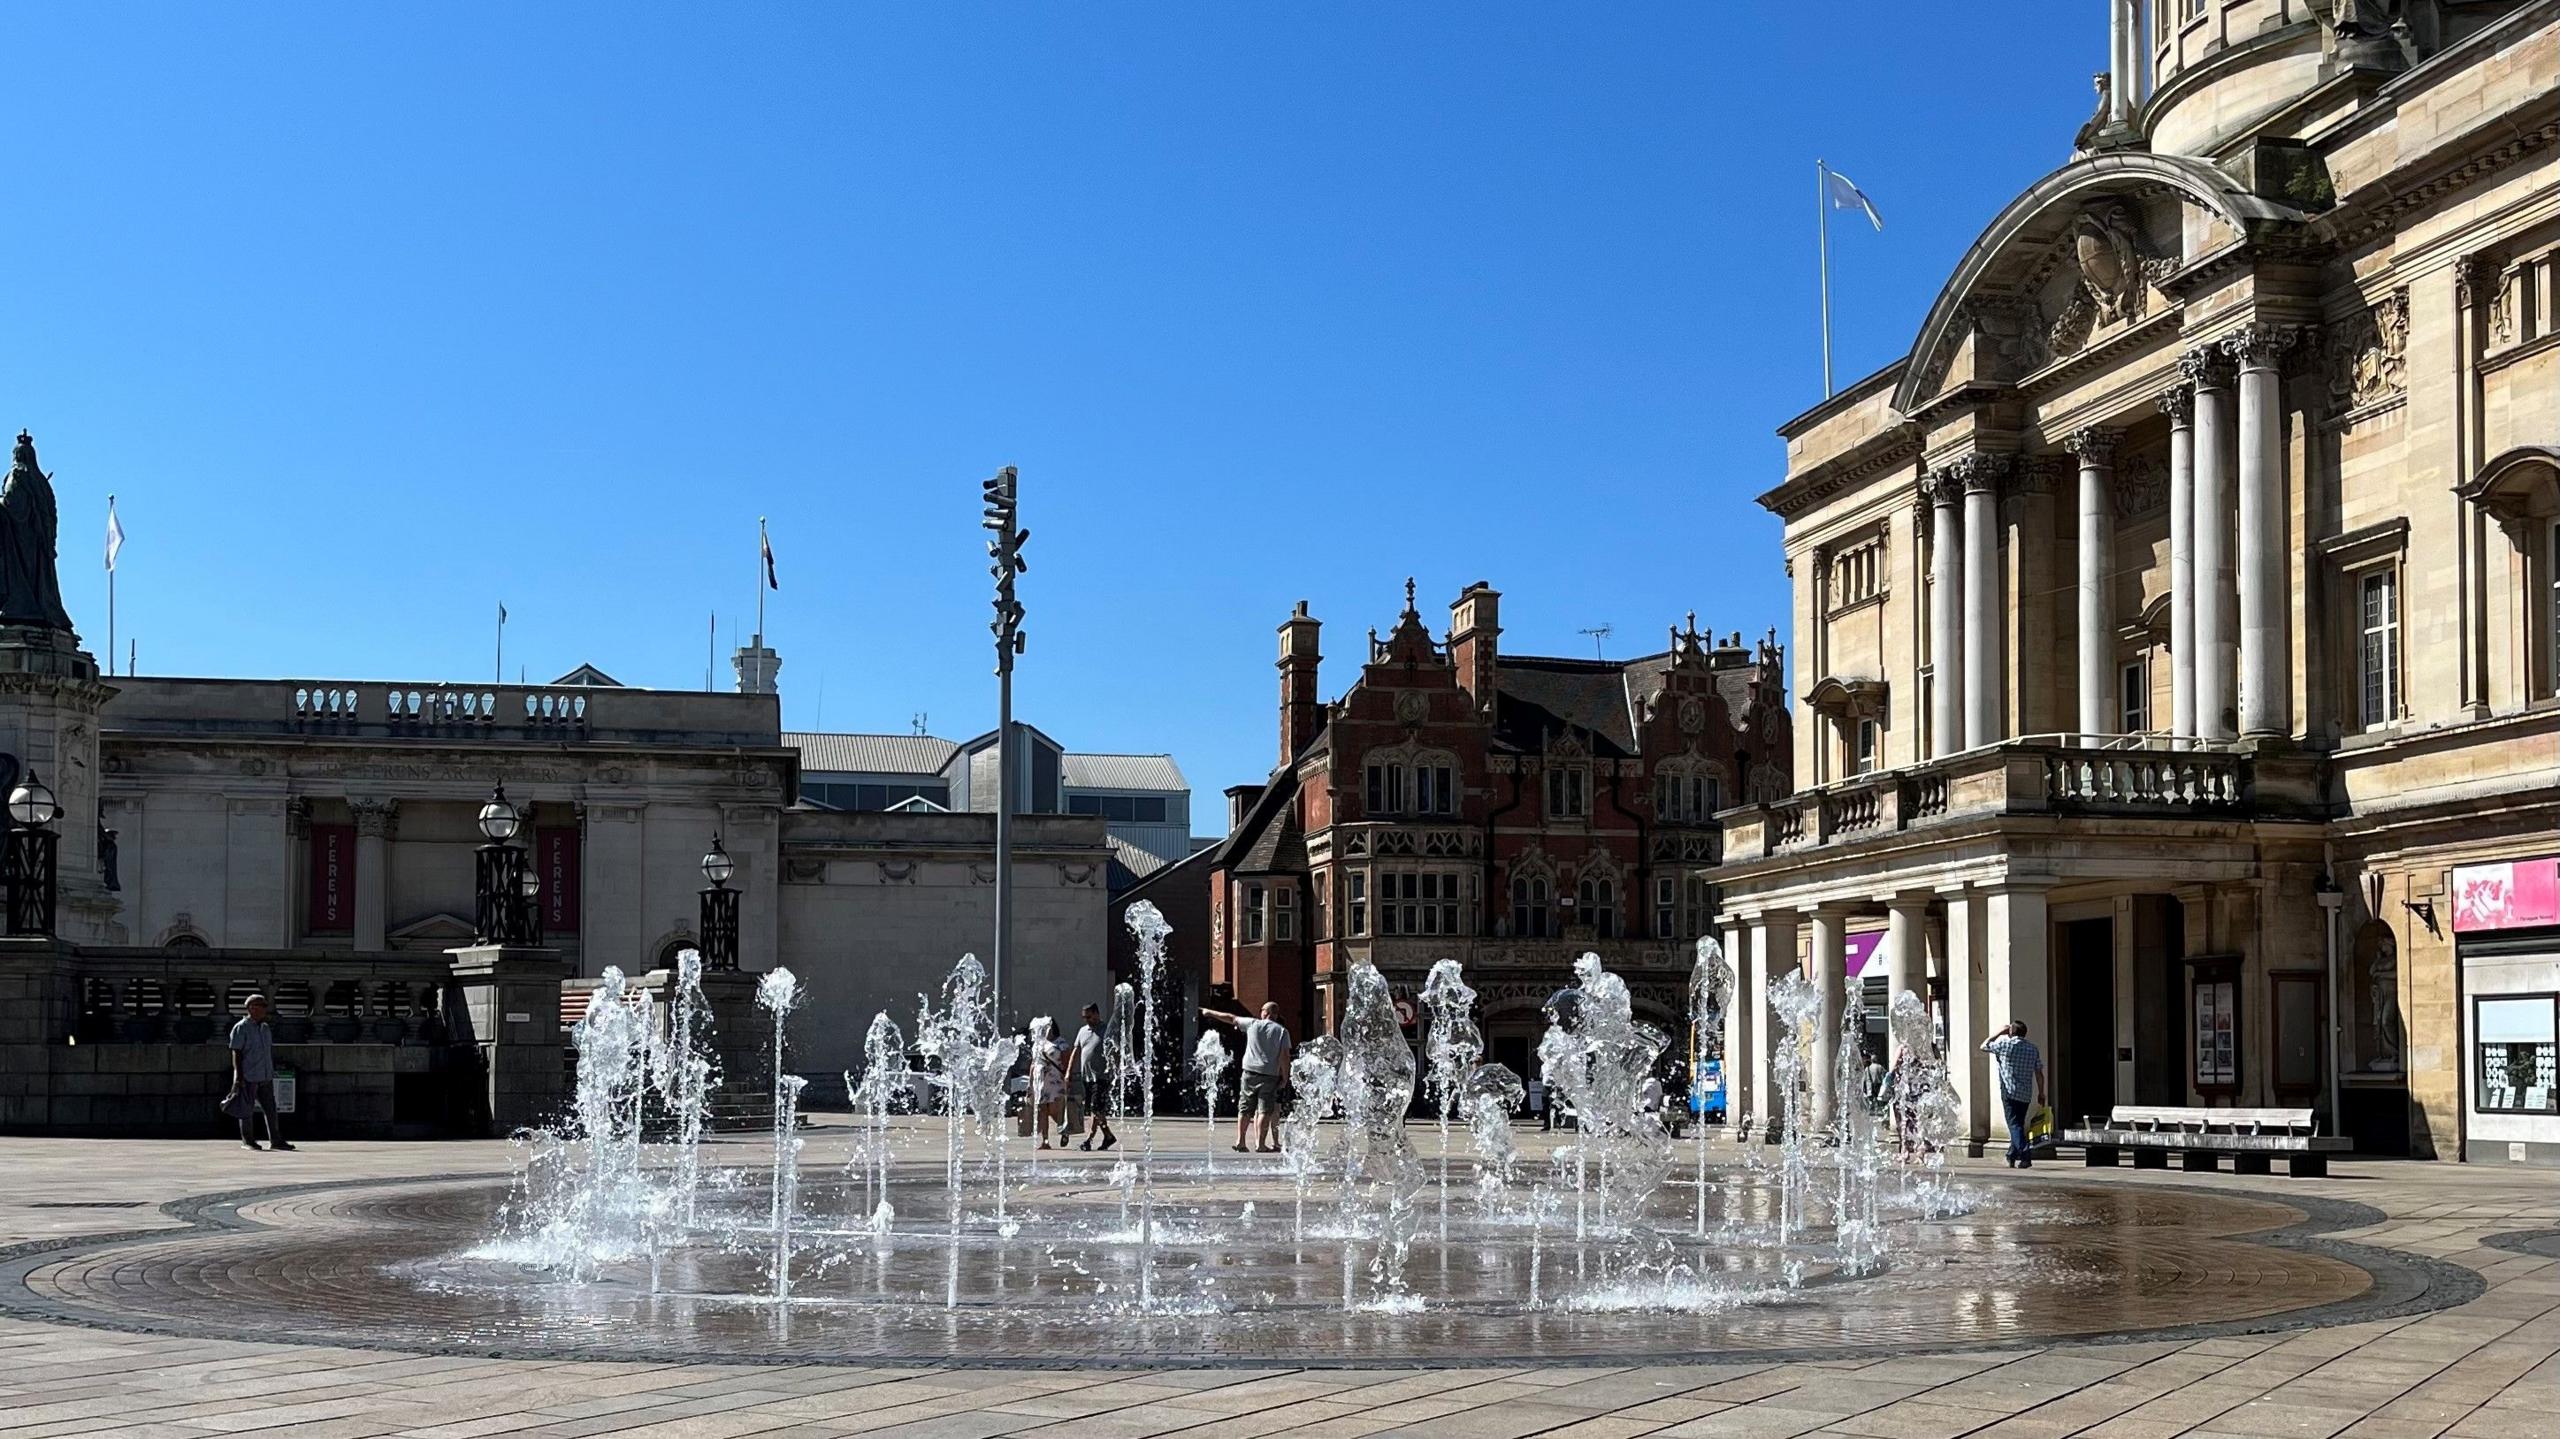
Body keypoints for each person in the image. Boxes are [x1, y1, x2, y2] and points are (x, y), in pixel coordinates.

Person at [1200, 1002, 1290, 1153]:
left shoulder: (1253, 1024)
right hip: (1269, 1074)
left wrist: (1210, 1012)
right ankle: (1260, 1144)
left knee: (1245, 1108)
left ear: (1264, 1012)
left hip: (1248, 1072)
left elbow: (1231, 1018)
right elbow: (1284, 1056)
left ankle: (1240, 1141)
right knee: (1264, 1111)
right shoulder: (1282, 1032)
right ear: (1275, 1014)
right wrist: (1285, 1076)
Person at [226, 994, 293, 1152]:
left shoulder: (265, 1028)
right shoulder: (241, 1027)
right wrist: (239, 1077)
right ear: (252, 1008)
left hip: (265, 1075)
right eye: (261, 1006)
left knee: (271, 1109)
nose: (265, 1009)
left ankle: (276, 1139)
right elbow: (236, 1052)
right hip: (248, 1075)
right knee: (246, 1110)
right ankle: (248, 1140)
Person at [1980, 1020, 2047, 1168]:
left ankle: (2025, 1155)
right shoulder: (2032, 1049)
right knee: (2018, 1125)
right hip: (2025, 1094)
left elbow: (1983, 1046)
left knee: (2014, 1125)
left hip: (2009, 1092)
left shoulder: (2005, 1045)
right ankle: (2011, 1155)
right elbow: (2039, 1073)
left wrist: (1998, 1033)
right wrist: (2041, 1092)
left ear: (2011, 1032)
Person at [1065, 1003, 1117, 1151]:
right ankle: (1108, 1136)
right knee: (1095, 1110)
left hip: (1102, 1076)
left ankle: (1089, 1139)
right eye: (1084, 1017)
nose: (1086, 1020)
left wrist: (1116, 1068)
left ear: (1096, 1014)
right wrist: (1068, 1072)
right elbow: (1075, 1051)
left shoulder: (1107, 1030)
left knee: (1096, 1107)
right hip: (1086, 1077)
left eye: (1088, 1016)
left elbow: (1116, 1050)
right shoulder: (1082, 1031)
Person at [1029, 1023, 1068, 1150]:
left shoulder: (1060, 1042)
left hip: (1055, 1080)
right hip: (1040, 1080)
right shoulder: (1038, 1043)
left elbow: (1066, 1060)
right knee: (1042, 1110)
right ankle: (1045, 1141)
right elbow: (1033, 1063)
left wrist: (1068, 1077)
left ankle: (1064, 1129)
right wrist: (1030, 1083)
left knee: (1052, 1110)